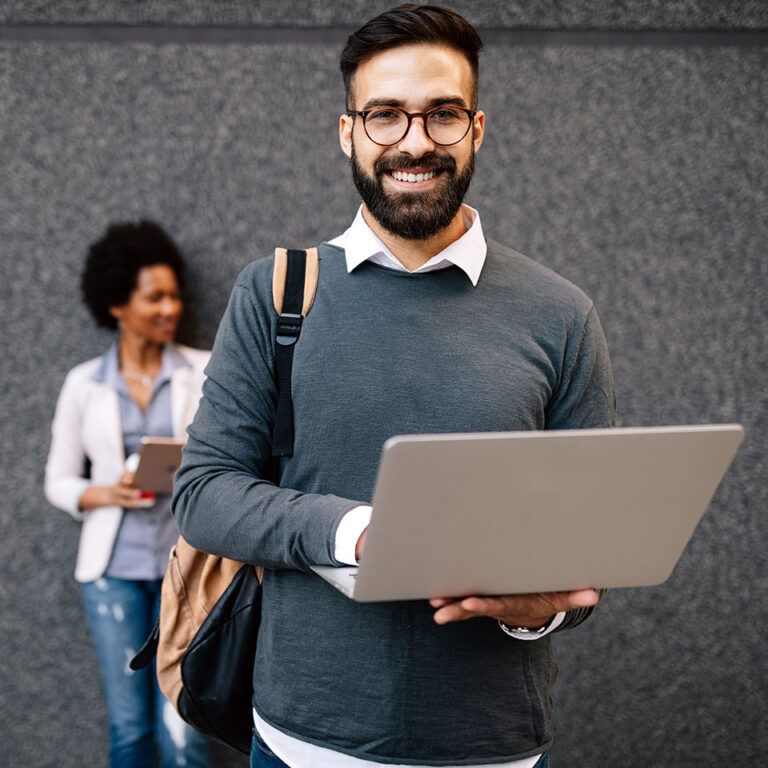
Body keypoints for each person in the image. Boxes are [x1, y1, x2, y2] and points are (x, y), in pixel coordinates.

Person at [173, 4, 616, 768]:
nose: (415, 141)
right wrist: (360, 534)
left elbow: (590, 548)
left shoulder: (562, 313)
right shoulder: (275, 293)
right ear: (348, 131)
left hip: (493, 747)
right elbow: (205, 493)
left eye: (442, 115)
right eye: (385, 116)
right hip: (299, 740)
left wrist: (537, 614)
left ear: (477, 129)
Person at [45, 220, 210, 768]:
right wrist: (105, 493)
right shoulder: (84, 385)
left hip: (185, 573)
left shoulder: (205, 372)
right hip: (112, 573)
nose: (170, 308)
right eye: (154, 297)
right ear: (117, 303)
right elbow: (59, 481)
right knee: (131, 733)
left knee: (184, 734)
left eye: (174, 295)